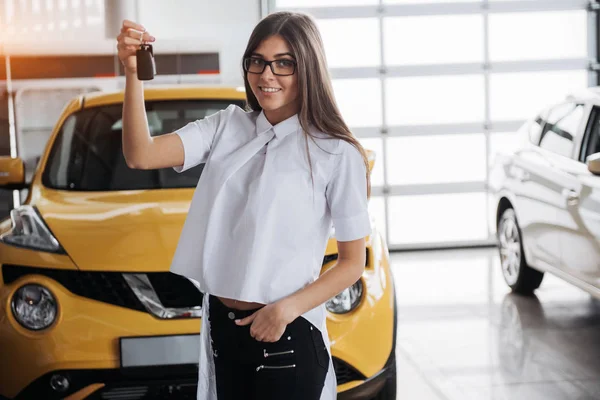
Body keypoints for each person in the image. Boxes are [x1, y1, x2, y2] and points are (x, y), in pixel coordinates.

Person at [116, 11, 372, 400]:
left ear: (309, 68)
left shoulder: (336, 152)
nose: (266, 75)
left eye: (283, 63)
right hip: (224, 327)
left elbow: (353, 263)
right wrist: (132, 74)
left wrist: (285, 310)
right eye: (257, 61)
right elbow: (141, 154)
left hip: (287, 332)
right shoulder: (227, 126)